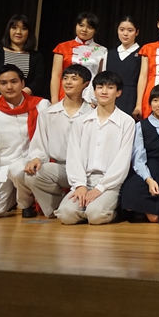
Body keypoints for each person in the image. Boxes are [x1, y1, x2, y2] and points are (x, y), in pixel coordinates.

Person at [56, 71, 136, 225]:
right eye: (100, 87)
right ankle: (85, 209)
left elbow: (122, 160)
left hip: (109, 183)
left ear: (118, 92)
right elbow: (74, 155)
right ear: (94, 91)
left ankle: (115, 212)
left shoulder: (127, 122)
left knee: (96, 215)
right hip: (84, 179)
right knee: (66, 215)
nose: (104, 91)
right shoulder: (81, 122)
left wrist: (101, 187)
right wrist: (80, 185)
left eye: (110, 88)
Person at [18, 64, 93, 219]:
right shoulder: (48, 113)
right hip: (62, 168)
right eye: (65, 78)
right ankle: (56, 208)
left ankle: (76, 206)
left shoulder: (93, 113)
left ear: (86, 84)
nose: (68, 82)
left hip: (87, 171)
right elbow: (40, 142)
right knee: (33, 174)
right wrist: (37, 157)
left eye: (74, 78)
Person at [0, 65, 50, 218]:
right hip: (5, 167)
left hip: (35, 163)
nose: (9, 87)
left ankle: (26, 204)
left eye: (14, 81)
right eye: (3, 83)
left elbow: (50, 138)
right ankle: (14, 197)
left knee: (18, 170)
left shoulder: (41, 105)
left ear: (23, 83)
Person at [119, 85, 159, 223]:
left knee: (155, 217)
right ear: (150, 103)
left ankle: (145, 211)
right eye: (155, 100)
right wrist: (149, 180)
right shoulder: (141, 126)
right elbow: (138, 159)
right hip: (147, 168)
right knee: (129, 197)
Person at [0, 14, 46, 109]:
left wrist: (23, 93)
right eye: (14, 28)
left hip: (24, 104)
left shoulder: (36, 56)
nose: (18, 32)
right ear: (8, 30)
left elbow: (38, 80)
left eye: (23, 28)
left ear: (29, 32)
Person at [50, 12, 106, 104]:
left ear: (95, 30)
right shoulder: (62, 47)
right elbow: (56, 76)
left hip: (91, 96)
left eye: (89, 27)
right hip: (66, 93)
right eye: (81, 25)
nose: (84, 30)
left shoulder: (102, 50)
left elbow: (101, 78)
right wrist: (54, 100)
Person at [101, 16, 142, 117]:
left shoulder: (142, 54)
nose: (125, 34)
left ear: (137, 32)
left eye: (130, 30)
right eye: (122, 29)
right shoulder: (109, 54)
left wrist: (139, 105)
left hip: (132, 99)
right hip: (110, 99)